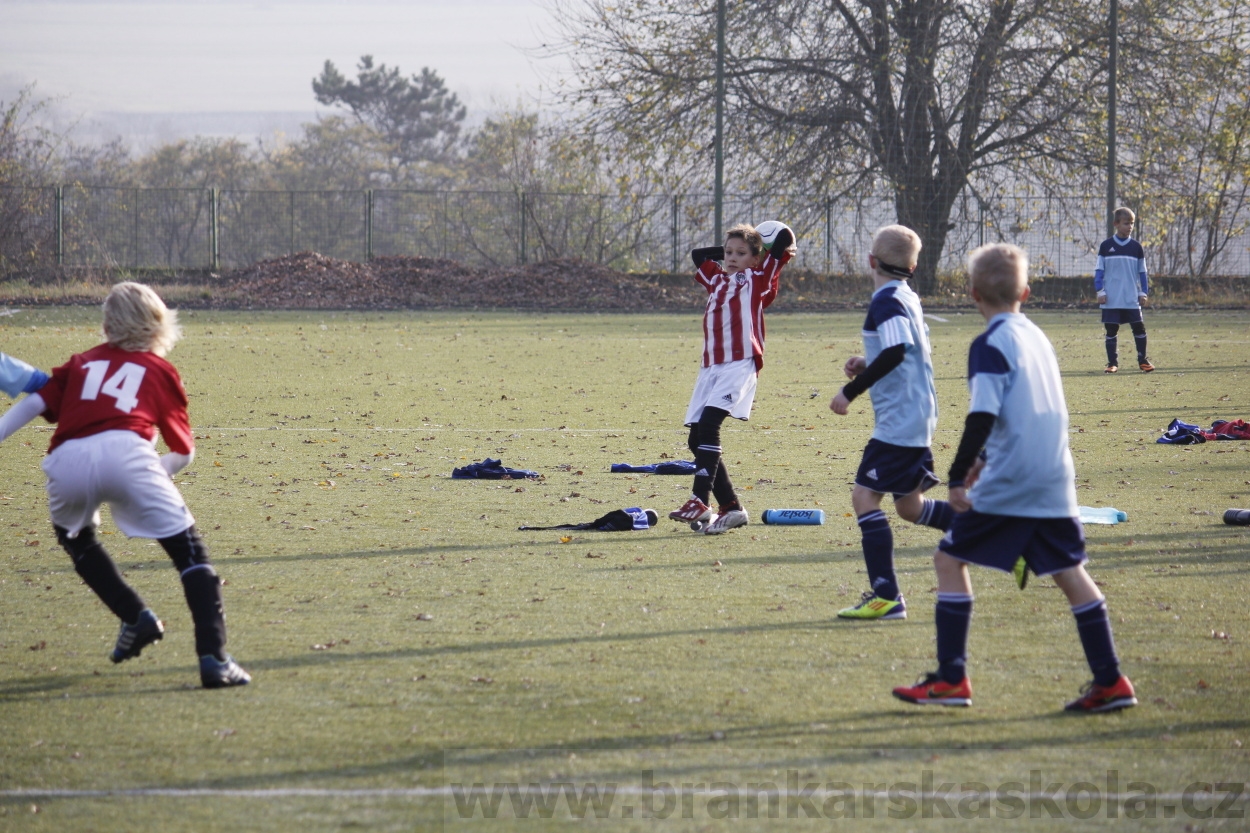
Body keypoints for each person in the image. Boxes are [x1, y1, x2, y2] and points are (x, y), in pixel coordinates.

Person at [892, 243, 1136, 712]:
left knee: (948, 560)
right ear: (1025, 291)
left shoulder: (988, 344)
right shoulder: (1037, 336)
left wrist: (960, 477)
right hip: (1054, 475)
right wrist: (985, 457)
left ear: (972, 293)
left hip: (1014, 479)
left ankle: (950, 680)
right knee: (1070, 573)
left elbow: (982, 414)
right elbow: (1025, 408)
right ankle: (1111, 681)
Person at [0, 282, 250, 689]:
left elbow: (34, 403)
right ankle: (214, 659)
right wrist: (149, 476)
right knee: (190, 554)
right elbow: (183, 451)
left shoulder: (81, 363)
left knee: (75, 538)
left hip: (67, 460)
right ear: (158, 322)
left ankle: (135, 617)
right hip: (129, 454)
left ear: (108, 324)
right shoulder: (160, 369)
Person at [830, 225, 954, 620]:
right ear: (913, 267)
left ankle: (887, 597)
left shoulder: (885, 300)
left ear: (871, 261)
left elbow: (898, 350)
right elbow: (907, 350)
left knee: (864, 497)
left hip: (900, 420)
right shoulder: (907, 297)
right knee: (910, 507)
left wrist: (851, 392)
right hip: (917, 413)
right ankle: (995, 531)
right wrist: (867, 362)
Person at [669, 221, 795, 535]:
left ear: (756, 258)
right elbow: (699, 255)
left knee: (710, 425)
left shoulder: (758, 277)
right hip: (711, 367)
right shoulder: (717, 279)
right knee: (696, 438)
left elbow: (784, 240)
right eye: (728, 253)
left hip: (739, 363)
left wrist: (760, 246)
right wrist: (738, 244)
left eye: (741, 253)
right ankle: (732, 508)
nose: (732, 257)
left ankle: (699, 499)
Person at [1095, 207, 1153, 373]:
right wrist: (1100, 291)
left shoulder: (1136, 248)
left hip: (1131, 298)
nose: (1130, 227)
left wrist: (1143, 292)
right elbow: (1099, 271)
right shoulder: (1106, 246)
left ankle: (1143, 360)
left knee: (1139, 328)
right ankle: (1112, 363)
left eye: (1132, 223)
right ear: (1116, 224)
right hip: (1111, 298)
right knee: (1111, 330)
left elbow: (1142, 272)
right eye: (1126, 223)